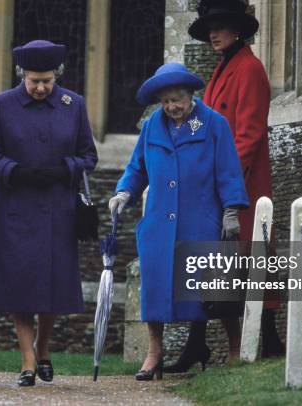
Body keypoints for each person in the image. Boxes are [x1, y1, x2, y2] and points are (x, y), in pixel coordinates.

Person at [109, 62, 249, 380]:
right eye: (166, 101)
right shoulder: (151, 128)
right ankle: (154, 353)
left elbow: (228, 170)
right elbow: (137, 168)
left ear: (190, 96)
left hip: (201, 219)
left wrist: (231, 211)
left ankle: (235, 348)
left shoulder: (214, 124)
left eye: (178, 100)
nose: (172, 107)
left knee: (215, 288)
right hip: (159, 222)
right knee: (155, 289)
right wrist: (124, 193)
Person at [165, 0, 284, 373]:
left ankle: (271, 340)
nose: (213, 33)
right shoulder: (222, 69)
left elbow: (249, 134)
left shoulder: (249, 69)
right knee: (215, 264)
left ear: (237, 29)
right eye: (209, 27)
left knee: (247, 261)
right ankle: (198, 343)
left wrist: (228, 184)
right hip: (217, 181)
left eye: (220, 26)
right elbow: (206, 125)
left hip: (241, 186)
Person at [0, 40, 98, 387]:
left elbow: (88, 155)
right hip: (15, 208)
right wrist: (15, 171)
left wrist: (65, 169)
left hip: (58, 208)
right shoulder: (2, 104)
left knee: (52, 284)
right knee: (20, 285)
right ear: (22, 76)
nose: (42, 88)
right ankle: (28, 360)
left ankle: (43, 348)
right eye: (35, 82)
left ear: (56, 75)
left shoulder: (73, 104)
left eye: (47, 81)